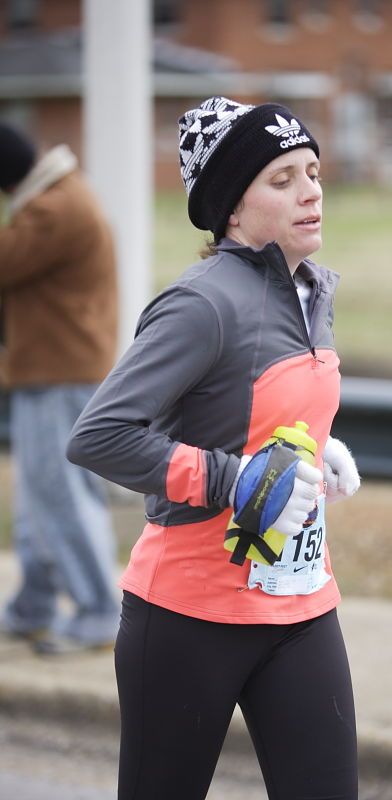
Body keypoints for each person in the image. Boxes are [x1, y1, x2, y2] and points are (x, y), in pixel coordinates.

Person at [67, 96, 361, 799]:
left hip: (298, 607)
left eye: (312, 172)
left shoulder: (310, 291)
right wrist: (236, 480)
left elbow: (253, 411)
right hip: (188, 617)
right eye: (282, 178)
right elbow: (99, 435)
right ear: (231, 205)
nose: (310, 191)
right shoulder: (202, 304)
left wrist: (315, 450)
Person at [0, 123, 120, 653]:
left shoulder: (52, 210)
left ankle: (98, 612)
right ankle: (35, 605)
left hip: (61, 373)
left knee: (63, 498)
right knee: (37, 500)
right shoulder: (58, 195)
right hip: (49, 370)